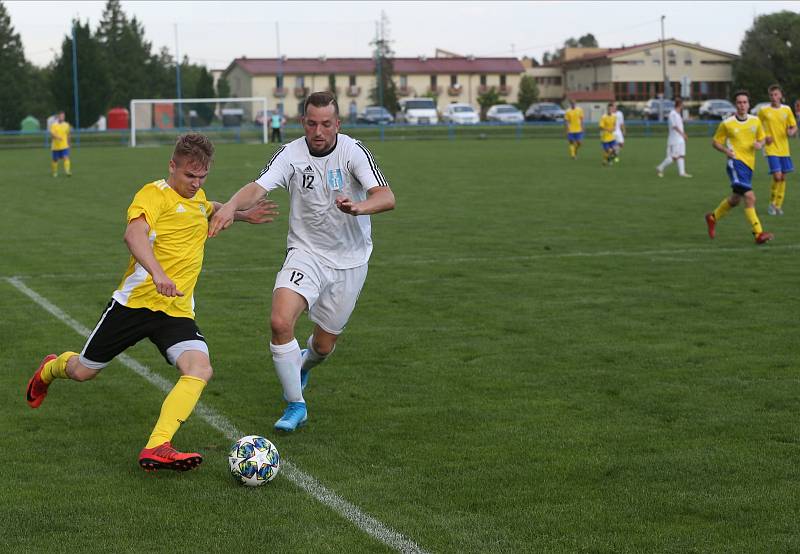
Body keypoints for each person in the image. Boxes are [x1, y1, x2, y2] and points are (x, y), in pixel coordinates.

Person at [25, 133, 278, 471]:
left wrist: (242, 214)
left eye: (202, 176)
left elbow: (207, 207)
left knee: (200, 369)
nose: (195, 183)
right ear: (172, 165)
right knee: (83, 372)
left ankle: (159, 444)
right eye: (189, 175)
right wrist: (158, 273)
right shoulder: (153, 194)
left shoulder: (197, 198)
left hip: (175, 311)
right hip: (135, 305)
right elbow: (134, 234)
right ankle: (51, 368)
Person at [209, 91, 396, 433]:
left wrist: (359, 207)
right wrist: (230, 206)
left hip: (350, 262)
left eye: (326, 124)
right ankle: (296, 404)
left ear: (337, 124)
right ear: (303, 123)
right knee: (280, 322)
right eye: (312, 123)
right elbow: (258, 187)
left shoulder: (353, 151)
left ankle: (305, 365)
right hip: (305, 253)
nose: (319, 131)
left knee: (323, 346)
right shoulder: (290, 154)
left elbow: (386, 197)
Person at [704, 91, 772, 245]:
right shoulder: (727, 123)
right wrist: (726, 151)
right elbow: (715, 142)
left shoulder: (755, 121)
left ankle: (713, 217)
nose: (742, 105)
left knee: (735, 199)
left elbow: (762, 139)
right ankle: (758, 233)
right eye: (739, 102)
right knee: (749, 196)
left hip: (749, 165)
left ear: (749, 104)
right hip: (735, 163)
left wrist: (759, 144)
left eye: (744, 102)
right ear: (736, 105)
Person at [758, 84, 798, 216]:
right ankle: (772, 204)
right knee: (777, 176)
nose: (773, 97)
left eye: (776, 94)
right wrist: (764, 137)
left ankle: (778, 206)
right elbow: (757, 126)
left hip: (784, 149)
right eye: (771, 95)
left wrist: (792, 132)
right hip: (770, 148)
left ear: (780, 95)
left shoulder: (786, 110)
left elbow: (793, 126)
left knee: (783, 178)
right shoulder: (763, 110)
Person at [656, 97, 692, 178]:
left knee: (681, 155)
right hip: (674, 139)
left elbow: (679, 124)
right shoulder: (672, 114)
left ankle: (682, 173)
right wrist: (683, 134)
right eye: (682, 104)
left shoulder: (678, 114)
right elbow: (674, 126)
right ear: (679, 105)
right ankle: (660, 167)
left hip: (680, 139)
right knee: (674, 157)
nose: (683, 106)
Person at [50, 111, 71, 177]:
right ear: (58, 117)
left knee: (66, 158)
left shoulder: (66, 125)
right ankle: (55, 172)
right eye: (61, 116)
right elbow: (52, 135)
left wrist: (69, 144)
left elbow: (68, 135)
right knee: (55, 160)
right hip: (55, 146)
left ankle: (67, 171)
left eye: (63, 116)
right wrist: (57, 137)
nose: (63, 117)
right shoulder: (54, 125)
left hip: (64, 146)